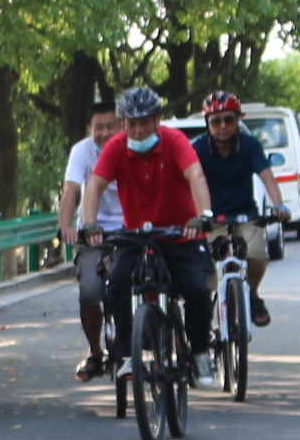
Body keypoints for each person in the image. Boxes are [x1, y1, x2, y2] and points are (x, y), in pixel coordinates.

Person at [77, 85, 218, 365]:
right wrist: (90, 224)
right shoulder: (116, 147)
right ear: (123, 124)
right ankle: (127, 351)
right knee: (117, 281)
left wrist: (203, 214)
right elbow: (95, 186)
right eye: (132, 124)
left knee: (197, 288)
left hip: (181, 233)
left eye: (145, 122)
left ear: (157, 121)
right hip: (137, 237)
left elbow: (196, 175)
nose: (139, 130)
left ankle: (200, 351)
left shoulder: (175, 140)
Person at [191, 91, 280, 327]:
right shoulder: (197, 148)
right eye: (215, 121)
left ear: (238, 120)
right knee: (202, 267)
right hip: (210, 219)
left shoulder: (250, 145)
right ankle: (210, 306)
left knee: (257, 254)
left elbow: (267, 176)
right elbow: (188, 180)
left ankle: (251, 294)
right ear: (207, 124)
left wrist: (278, 206)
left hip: (245, 216)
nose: (222, 126)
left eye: (228, 120)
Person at [56, 99, 126, 381]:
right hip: (92, 233)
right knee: (90, 291)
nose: (105, 133)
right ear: (89, 129)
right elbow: (72, 189)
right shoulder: (82, 151)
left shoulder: (131, 147)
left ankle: (149, 336)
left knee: (144, 278)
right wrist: (65, 226)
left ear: (122, 125)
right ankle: (96, 352)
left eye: (111, 126)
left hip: (130, 231)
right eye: (99, 127)